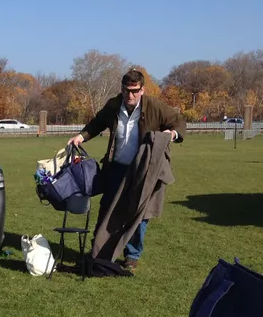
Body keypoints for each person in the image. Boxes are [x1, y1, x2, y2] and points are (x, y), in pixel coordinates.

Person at [68, 69, 185, 271]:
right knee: (106, 210)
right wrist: (81, 136)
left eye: (135, 91)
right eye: (126, 90)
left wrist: (171, 134)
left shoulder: (155, 106)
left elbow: (178, 121)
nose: (130, 95)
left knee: (138, 213)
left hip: (141, 170)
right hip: (116, 168)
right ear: (121, 89)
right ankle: (100, 251)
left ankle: (132, 255)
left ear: (142, 89)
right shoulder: (114, 105)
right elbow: (97, 122)